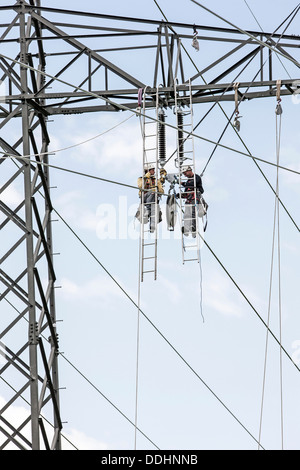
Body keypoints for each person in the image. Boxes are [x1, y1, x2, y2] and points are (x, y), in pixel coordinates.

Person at [137, 164, 167, 232]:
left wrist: (163, 176)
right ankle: (147, 211)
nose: (154, 171)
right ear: (148, 171)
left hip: (153, 198)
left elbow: (161, 190)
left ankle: (152, 226)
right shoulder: (141, 179)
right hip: (145, 197)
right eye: (153, 170)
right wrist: (146, 177)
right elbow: (141, 186)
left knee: (154, 209)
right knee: (152, 192)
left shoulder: (155, 180)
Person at [180, 166, 204, 237]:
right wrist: (180, 195)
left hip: (195, 198)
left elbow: (193, 184)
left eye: (185, 173)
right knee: (186, 214)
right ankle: (186, 229)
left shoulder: (196, 177)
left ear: (190, 170)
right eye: (184, 174)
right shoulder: (188, 181)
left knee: (192, 212)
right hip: (189, 199)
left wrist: (183, 183)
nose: (185, 175)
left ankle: (193, 228)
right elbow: (186, 192)